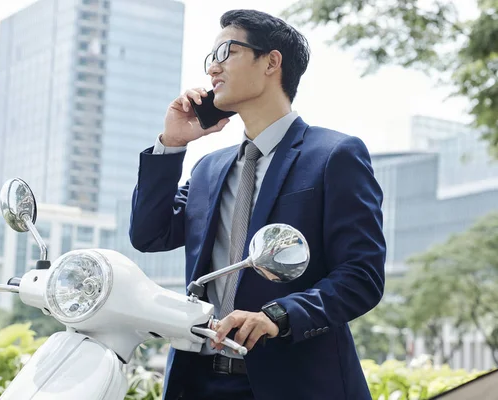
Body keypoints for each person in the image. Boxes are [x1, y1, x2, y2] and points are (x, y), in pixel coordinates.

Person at [129, 8, 386, 400]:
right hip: (197, 381)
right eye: (209, 60)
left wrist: (278, 316)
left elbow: (361, 276)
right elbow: (149, 234)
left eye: (225, 53)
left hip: (295, 383)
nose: (212, 70)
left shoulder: (334, 155)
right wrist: (172, 144)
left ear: (271, 61)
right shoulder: (208, 169)